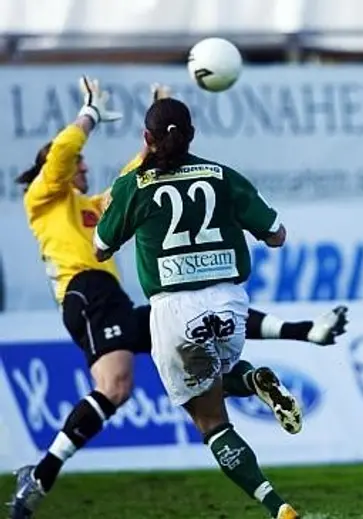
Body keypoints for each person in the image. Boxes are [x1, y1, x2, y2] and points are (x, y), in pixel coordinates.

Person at [8, 78, 344, 519]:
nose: (84, 169)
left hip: (124, 298)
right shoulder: (43, 198)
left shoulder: (91, 203)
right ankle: (43, 473)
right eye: (78, 164)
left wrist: (155, 141)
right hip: (85, 292)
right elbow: (66, 159)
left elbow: (132, 184)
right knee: (118, 384)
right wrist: (88, 115)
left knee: (177, 390)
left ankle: (41, 473)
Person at [94, 96, 298, 517]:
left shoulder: (133, 186)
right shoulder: (222, 176)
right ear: (192, 136)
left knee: (211, 422)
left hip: (173, 309)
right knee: (217, 374)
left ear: (146, 139)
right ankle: (253, 377)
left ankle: (278, 507)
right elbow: (277, 234)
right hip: (230, 300)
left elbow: (99, 248)